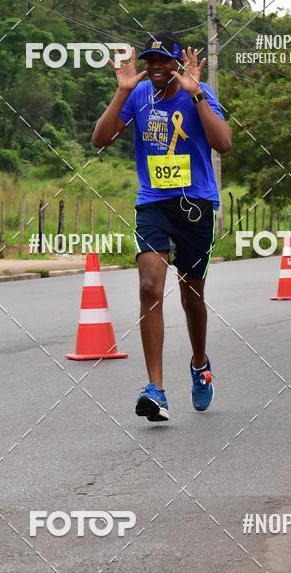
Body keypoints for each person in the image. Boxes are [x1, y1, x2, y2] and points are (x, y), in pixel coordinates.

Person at [92, 31, 232, 422]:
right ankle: (156, 389)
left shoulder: (197, 92)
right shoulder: (138, 96)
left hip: (195, 205)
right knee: (149, 285)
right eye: (150, 61)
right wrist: (121, 91)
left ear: (177, 64)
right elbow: (100, 139)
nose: (155, 68)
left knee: (191, 296)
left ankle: (200, 363)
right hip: (153, 202)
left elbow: (223, 143)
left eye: (163, 62)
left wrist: (198, 95)